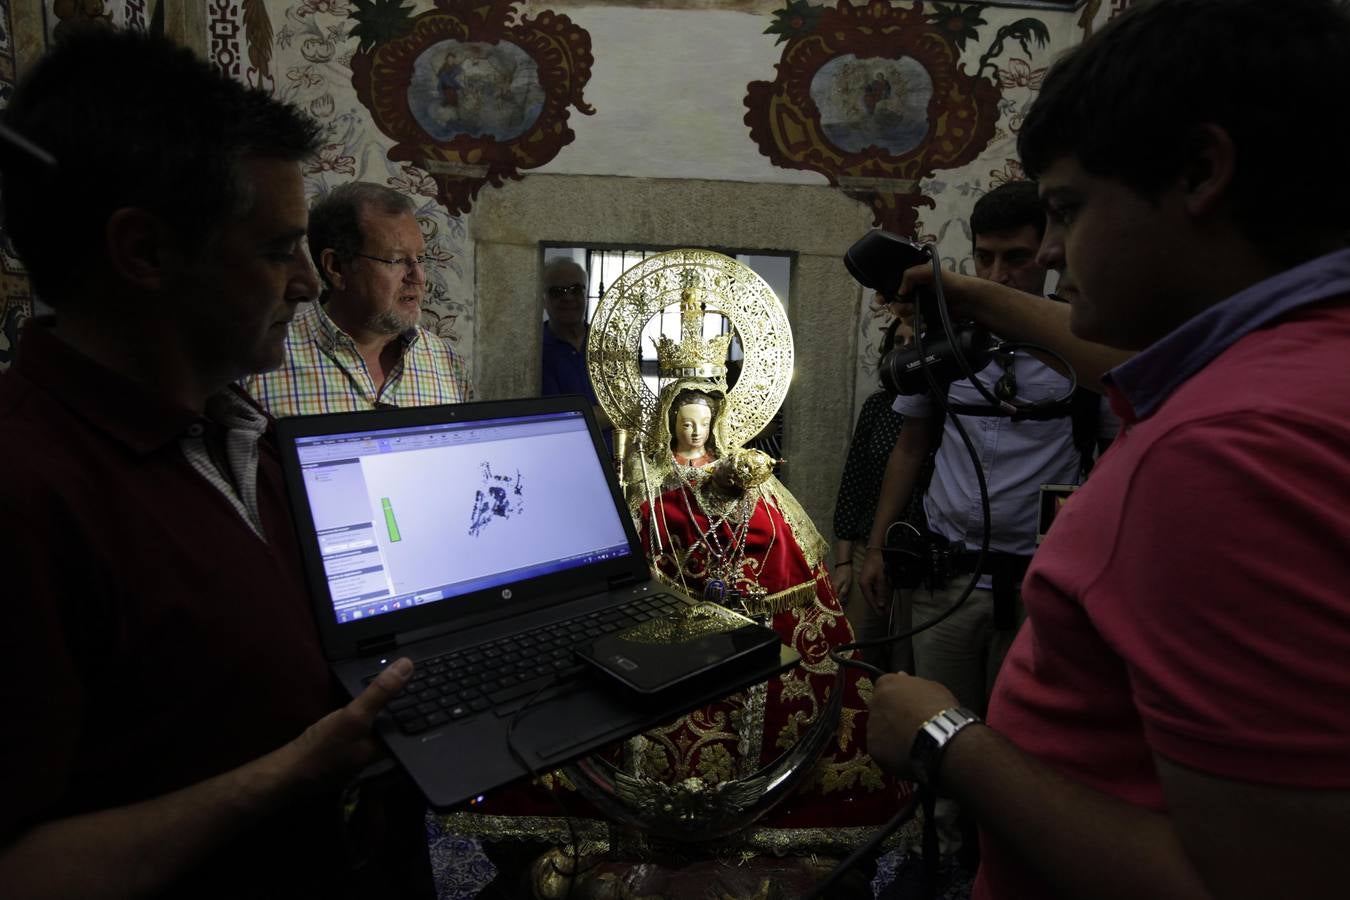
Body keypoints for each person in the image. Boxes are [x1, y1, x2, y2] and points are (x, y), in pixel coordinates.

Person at [866, 2, 1350, 898]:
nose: (1050, 254)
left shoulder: (1226, 450)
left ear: (1201, 171)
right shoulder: (1298, 366)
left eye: (1068, 210)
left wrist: (946, 740)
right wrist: (974, 298)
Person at [0, 29, 423, 897]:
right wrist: (292, 774)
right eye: (278, 250)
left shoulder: (243, 437)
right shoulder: (26, 490)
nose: (310, 284)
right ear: (146, 253)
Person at [858, 180, 1089, 861]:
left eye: (1014, 258)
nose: (996, 275)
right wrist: (875, 545)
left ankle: (1007, 863)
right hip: (948, 576)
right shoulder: (944, 348)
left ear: (1045, 256)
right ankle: (944, 858)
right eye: (984, 258)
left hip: (1040, 585)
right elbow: (909, 448)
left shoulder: (1077, 348)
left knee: (1025, 743)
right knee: (941, 733)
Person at [244, 181, 473, 416]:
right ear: (336, 268)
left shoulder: (446, 363)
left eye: (420, 259)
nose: (418, 276)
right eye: (396, 260)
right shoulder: (260, 364)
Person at [831, 317, 927, 672]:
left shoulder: (945, 409)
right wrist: (843, 562)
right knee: (858, 657)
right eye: (898, 342)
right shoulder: (878, 407)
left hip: (921, 559)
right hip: (867, 551)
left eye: (914, 342)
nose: (905, 350)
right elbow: (853, 481)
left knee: (907, 663)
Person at [540, 256, 612, 445]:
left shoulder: (609, 347)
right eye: (558, 291)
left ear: (585, 294)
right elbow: (556, 419)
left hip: (615, 460)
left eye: (575, 289)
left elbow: (631, 408)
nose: (568, 298)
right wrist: (609, 414)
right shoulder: (535, 350)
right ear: (543, 299)